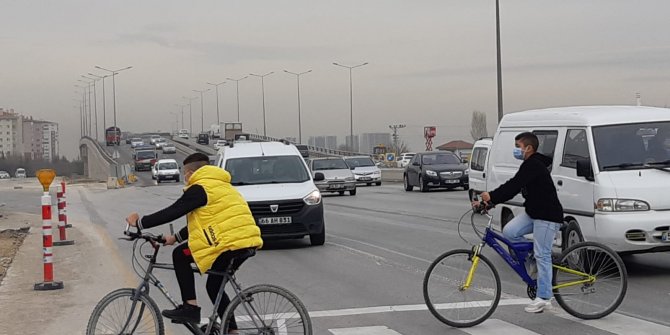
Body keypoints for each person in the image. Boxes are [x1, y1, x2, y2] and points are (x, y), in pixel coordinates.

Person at [125, 153, 263, 332]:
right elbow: (206, 222)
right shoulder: (220, 185)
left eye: (184, 173)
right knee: (214, 285)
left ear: (191, 173)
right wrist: (174, 238)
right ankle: (231, 330)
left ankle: (190, 308)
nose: (184, 177)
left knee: (180, 255)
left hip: (229, 242)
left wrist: (140, 223)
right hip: (244, 240)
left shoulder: (200, 187)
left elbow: (173, 211)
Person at [472, 132, 563, 313]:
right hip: (534, 213)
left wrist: (492, 195)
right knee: (510, 231)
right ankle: (535, 260)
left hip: (547, 216)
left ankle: (544, 297)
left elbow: (513, 185)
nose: (516, 150)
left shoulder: (533, 165)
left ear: (528, 148)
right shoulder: (529, 165)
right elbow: (514, 187)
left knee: (542, 254)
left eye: (518, 146)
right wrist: (488, 203)